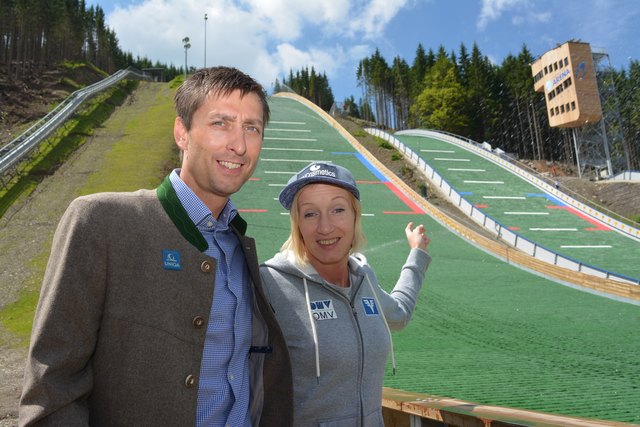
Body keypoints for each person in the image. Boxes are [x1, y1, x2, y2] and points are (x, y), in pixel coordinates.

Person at [19, 66, 293, 426]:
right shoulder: (100, 221)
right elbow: (52, 388)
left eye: (251, 128)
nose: (239, 145)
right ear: (182, 132)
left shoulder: (240, 246)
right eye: (220, 123)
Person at [259, 162, 431, 426]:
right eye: (310, 214)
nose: (325, 227)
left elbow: (399, 313)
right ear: (298, 225)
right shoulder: (269, 283)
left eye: (337, 210)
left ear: (354, 216)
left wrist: (417, 254)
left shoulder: (365, 279)